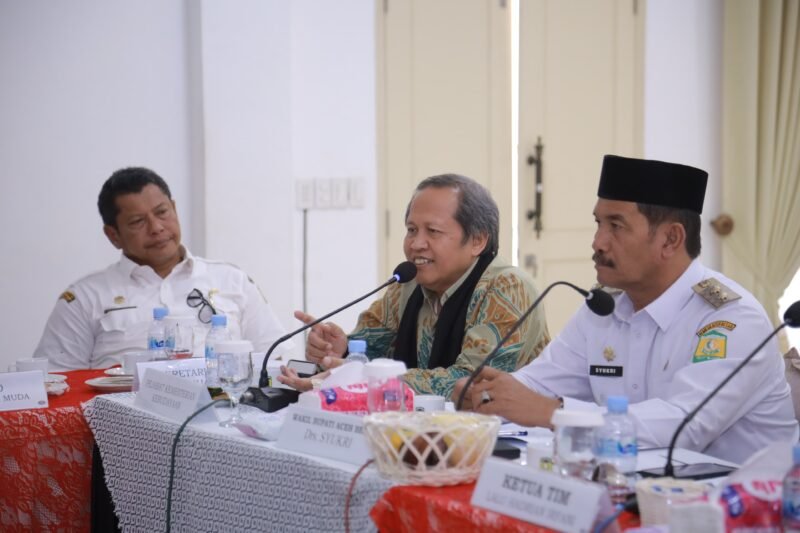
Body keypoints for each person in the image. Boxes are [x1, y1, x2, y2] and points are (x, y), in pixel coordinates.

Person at [456, 155, 798, 464]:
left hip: (740, 507)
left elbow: (684, 426)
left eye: (616, 226)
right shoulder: (605, 307)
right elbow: (539, 384)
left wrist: (554, 413)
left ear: (670, 240)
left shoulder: (731, 319)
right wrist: (487, 395)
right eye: (598, 224)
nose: (598, 242)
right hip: (631, 489)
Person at [278, 174, 550, 398]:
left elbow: (469, 384)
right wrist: (340, 351)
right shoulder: (408, 283)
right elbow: (371, 350)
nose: (416, 244)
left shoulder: (507, 289)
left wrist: (364, 376)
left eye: (433, 231)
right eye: (411, 230)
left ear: (477, 240)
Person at [33, 167, 291, 370]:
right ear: (113, 235)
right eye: (137, 221)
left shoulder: (232, 280)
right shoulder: (85, 298)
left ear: (175, 209)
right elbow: (60, 382)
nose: (156, 227)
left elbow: (274, 361)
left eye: (162, 212)